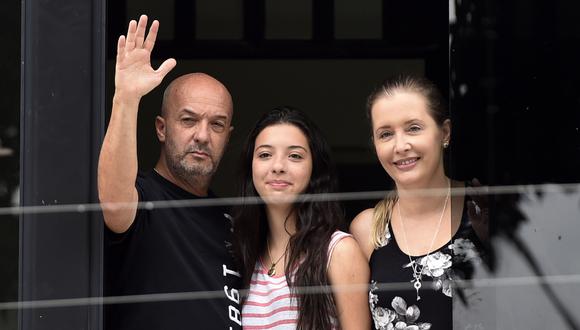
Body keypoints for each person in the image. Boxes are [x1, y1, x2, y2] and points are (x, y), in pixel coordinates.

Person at [98, 15, 241, 330]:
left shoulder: (232, 222)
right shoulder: (143, 199)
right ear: (162, 129)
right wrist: (126, 98)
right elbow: (113, 203)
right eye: (189, 120)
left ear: (228, 138)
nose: (202, 135)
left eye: (216, 124)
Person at [350, 75, 488, 329]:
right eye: (386, 134)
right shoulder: (368, 229)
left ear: (444, 133)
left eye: (413, 128)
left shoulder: (482, 209)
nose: (400, 145)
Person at [233, 107, 371, 329]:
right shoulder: (243, 256)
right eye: (265, 155)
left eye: (295, 156)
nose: (278, 167)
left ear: (314, 169)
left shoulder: (337, 250)